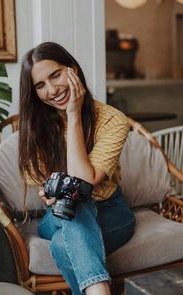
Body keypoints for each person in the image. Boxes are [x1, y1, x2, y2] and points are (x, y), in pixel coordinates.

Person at [18, 42, 135, 295]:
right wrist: (48, 194)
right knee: (71, 205)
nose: (52, 90)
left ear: (73, 70)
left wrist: (73, 115)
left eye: (56, 75)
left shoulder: (112, 120)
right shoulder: (35, 129)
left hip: (111, 211)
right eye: (40, 85)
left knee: (63, 242)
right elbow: (59, 195)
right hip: (57, 215)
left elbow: (84, 182)